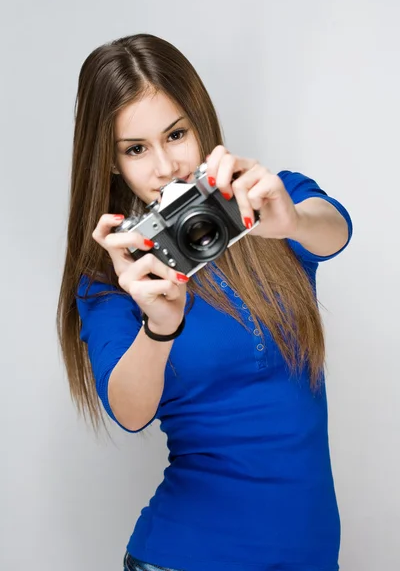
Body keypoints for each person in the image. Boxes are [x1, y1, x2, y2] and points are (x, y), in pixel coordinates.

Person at [57, 33, 353, 571]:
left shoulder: (266, 201)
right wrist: (159, 324)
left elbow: (335, 232)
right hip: (186, 557)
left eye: (176, 134)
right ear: (111, 163)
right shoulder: (114, 275)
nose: (166, 165)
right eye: (136, 149)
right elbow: (129, 412)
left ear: (201, 124)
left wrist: (289, 220)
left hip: (310, 556)